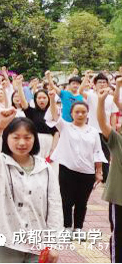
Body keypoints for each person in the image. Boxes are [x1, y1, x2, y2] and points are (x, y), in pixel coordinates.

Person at [0, 108, 62, 263]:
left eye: (27, 137)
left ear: (34, 139)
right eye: (16, 137)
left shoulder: (45, 168)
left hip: (38, 241)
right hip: (6, 239)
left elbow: (54, 206)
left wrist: (54, 243)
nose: (22, 142)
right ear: (6, 138)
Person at [48, 90, 105, 234]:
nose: (80, 114)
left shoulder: (92, 132)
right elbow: (55, 116)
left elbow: (97, 152)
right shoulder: (65, 127)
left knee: (82, 202)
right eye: (77, 112)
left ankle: (78, 227)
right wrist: (51, 99)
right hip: (68, 170)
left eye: (83, 112)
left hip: (87, 172)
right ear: (72, 113)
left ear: (87, 114)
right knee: (66, 201)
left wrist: (99, 172)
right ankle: (67, 226)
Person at [97, 86, 122, 263]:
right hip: (119, 197)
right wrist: (100, 102)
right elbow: (103, 124)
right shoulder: (117, 140)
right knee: (119, 235)